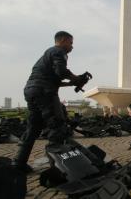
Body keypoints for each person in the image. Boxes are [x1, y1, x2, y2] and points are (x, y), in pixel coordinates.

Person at [13, 31, 89, 173]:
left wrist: (73, 82)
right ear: (63, 41)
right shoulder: (58, 51)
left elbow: (55, 80)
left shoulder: (45, 56)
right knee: (57, 126)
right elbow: (61, 71)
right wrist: (76, 78)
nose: (72, 47)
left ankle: (18, 163)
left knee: (33, 127)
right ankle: (58, 168)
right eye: (71, 43)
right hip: (44, 92)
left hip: (31, 90)